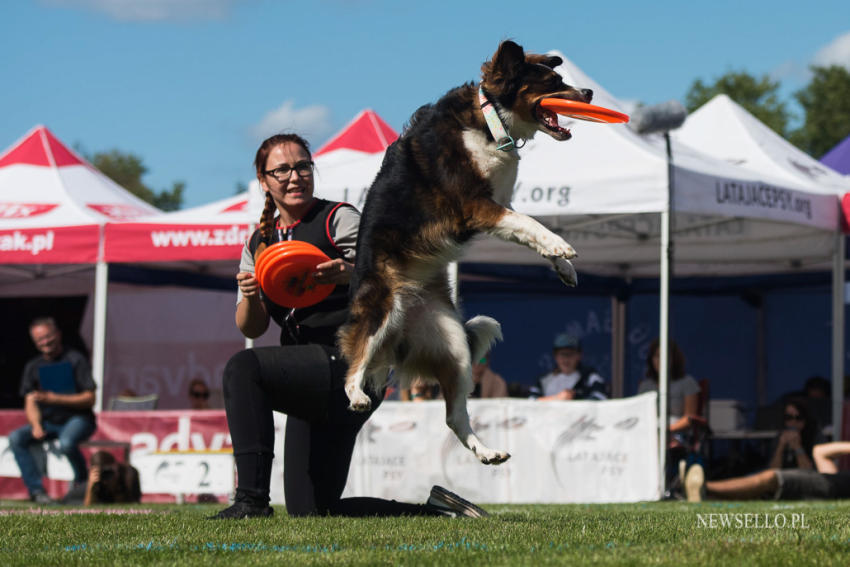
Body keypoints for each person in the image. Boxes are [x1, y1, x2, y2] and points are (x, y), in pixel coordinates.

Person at [211, 133, 486, 519]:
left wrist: (349, 274)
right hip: (311, 377)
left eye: (303, 166)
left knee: (243, 368)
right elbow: (251, 328)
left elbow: (397, 280)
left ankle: (251, 500)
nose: (295, 176)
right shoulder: (259, 242)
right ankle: (439, 512)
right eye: (282, 170)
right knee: (313, 511)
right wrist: (252, 294)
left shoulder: (338, 218)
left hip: (352, 368)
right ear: (263, 180)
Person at [8, 317, 97, 504]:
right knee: (16, 438)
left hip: (78, 419)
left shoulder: (75, 360)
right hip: (48, 422)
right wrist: (35, 425)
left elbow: (90, 398)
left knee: (66, 442)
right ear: (34, 342)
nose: (45, 342)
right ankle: (37, 491)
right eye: (40, 339)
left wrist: (55, 398)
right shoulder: (33, 366)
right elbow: (30, 400)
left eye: (48, 336)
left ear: (58, 335)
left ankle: (82, 486)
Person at [685, 442, 850, 502]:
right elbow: (820, 451)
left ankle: (703, 488)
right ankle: (701, 491)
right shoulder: (838, 478)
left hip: (826, 487)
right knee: (767, 483)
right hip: (828, 481)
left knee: (772, 478)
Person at [637, 338, 701, 434]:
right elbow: (639, 415)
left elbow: (689, 418)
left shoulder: (687, 382)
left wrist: (668, 431)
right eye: (656, 356)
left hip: (676, 433)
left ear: (673, 359)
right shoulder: (645, 386)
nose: (660, 360)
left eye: (664, 356)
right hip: (649, 433)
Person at [536, 333, 608, 401]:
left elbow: (600, 397)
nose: (566, 359)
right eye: (562, 354)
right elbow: (531, 402)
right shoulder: (544, 380)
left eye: (571, 354)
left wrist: (575, 397)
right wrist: (557, 398)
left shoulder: (590, 377)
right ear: (555, 356)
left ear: (579, 356)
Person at [766, 400, 821, 470]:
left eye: (798, 418)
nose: (793, 422)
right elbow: (772, 471)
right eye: (789, 417)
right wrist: (780, 447)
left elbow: (809, 472)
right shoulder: (780, 437)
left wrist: (797, 447)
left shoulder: (815, 436)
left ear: (805, 419)